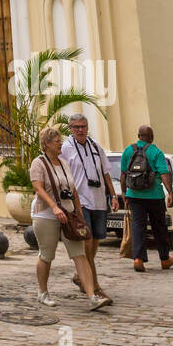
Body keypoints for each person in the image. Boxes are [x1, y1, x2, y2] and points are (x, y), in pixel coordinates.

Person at [31, 127, 109, 310]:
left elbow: (73, 190)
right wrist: (54, 206)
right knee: (46, 255)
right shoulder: (39, 163)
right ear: (47, 144)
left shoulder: (64, 163)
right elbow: (39, 188)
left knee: (79, 254)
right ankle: (42, 292)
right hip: (46, 215)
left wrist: (79, 213)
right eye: (57, 141)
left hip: (69, 215)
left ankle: (92, 296)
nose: (61, 144)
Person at [60, 114, 118, 299]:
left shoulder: (95, 146)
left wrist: (113, 196)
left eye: (83, 126)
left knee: (96, 243)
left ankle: (81, 276)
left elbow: (106, 172)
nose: (80, 130)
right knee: (87, 243)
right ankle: (94, 286)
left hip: (99, 200)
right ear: (70, 128)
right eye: (76, 127)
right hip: (81, 202)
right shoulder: (66, 148)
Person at [120, 125, 173, 271]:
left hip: (134, 195)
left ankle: (138, 259)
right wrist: (170, 193)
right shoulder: (156, 151)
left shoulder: (128, 150)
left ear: (138, 136)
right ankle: (165, 259)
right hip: (155, 195)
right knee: (159, 227)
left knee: (138, 226)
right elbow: (164, 173)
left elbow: (123, 174)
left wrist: (124, 193)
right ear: (151, 137)